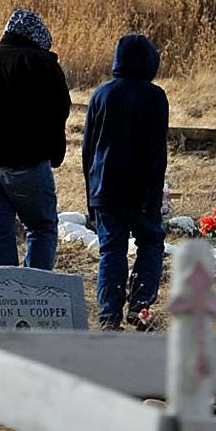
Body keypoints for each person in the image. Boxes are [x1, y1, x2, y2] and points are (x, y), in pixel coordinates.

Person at [0, 8, 71, 269]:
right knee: (41, 227)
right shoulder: (42, 63)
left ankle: (2, 298)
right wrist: (55, 153)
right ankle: (34, 294)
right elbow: (58, 111)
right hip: (27, 161)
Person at [82, 33, 169, 331]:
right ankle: (141, 306)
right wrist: (154, 195)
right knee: (151, 242)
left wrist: (90, 195)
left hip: (104, 189)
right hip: (141, 189)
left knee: (111, 251)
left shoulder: (101, 95)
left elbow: (88, 149)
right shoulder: (155, 96)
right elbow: (157, 152)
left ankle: (108, 316)